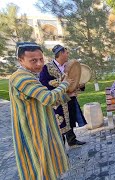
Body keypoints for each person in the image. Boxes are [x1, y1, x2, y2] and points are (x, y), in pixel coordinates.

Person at [9, 42, 70, 179]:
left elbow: (43, 99)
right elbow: (47, 98)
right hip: (32, 130)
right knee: (39, 167)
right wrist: (65, 84)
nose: (39, 64)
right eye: (33, 60)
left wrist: (65, 94)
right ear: (21, 60)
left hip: (39, 126)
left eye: (41, 59)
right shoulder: (21, 77)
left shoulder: (29, 75)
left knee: (46, 164)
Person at [39, 44, 86, 146]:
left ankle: (72, 140)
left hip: (71, 99)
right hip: (58, 101)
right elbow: (44, 83)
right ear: (61, 53)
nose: (68, 54)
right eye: (66, 52)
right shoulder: (47, 68)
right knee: (60, 124)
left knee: (71, 120)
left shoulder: (69, 66)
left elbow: (75, 80)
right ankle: (61, 148)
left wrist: (81, 85)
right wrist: (62, 83)